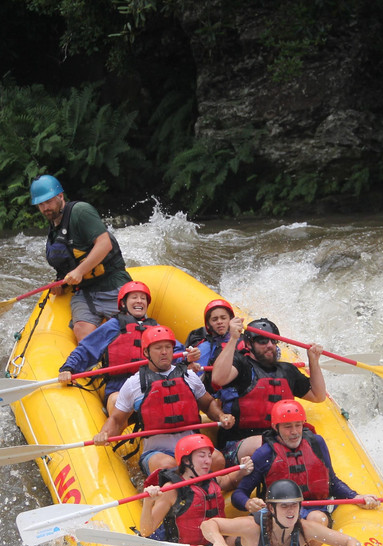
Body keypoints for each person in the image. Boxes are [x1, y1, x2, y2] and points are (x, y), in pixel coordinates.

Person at [94, 325, 234, 476]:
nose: (164, 352)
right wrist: (104, 433)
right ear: (146, 352)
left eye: (168, 347)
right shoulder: (134, 384)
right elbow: (116, 420)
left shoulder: (189, 376)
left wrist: (221, 416)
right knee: (169, 466)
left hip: (192, 446)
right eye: (158, 348)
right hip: (156, 451)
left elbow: (208, 403)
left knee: (218, 460)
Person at [231, 399, 379, 527]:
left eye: (298, 425)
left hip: (315, 509)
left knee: (317, 518)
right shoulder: (265, 454)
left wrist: (354, 497)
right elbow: (239, 494)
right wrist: (248, 503)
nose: (294, 432)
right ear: (276, 428)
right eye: (288, 427)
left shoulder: (317, 443)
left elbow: (332, 482)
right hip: (280, 514)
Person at [210, 316, 327, 466]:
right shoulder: (242, 365)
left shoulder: (287, 370)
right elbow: (218, 378)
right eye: (263, 341)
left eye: (273, 341)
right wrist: (233, 338)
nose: (270, 345)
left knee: (314, 441)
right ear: (249, 344)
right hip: (238, 444)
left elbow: (318, 396)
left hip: (280, 439)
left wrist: (314, 360)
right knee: (265, 444)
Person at [200, 479, 362, 546]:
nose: (290, 511)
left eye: (294, 505)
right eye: (284, 506)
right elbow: (208, 524)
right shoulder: (252, 527)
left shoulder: (306, 528)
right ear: (271, 508)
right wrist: (218, 541)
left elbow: (352, 543)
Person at [30, 174, 131, 343]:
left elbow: (104, 244)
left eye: (48, 201)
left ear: (60, 196)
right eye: (41, 204)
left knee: (130, 331)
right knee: (81, 330)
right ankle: (95, 366)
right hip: (85, 291)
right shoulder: (54, 228)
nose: (45, 207)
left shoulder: (80, 212)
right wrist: (61, 282)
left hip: (112, 282)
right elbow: (69, 260)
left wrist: (79, 271)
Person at [57, 280, 181, 413]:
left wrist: (187, 359)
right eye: (134, 297)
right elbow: (87, 349)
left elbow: (177, 350)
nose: (139, 301)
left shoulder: (156, 328)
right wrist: (69, 368)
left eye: (143, 298)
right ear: (123, 303)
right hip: (119, 388)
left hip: (153, 386)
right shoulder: (114, 326)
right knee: (116, 400)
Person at [139, 434, 253, 546]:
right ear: (186, 460)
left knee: (243, 535)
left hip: (215, 545)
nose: (208, 461)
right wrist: (147, 502)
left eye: (209, 456)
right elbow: (146, 530)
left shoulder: (212, 479)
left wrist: (242, 471)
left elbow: (229, 480)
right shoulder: (171, 490)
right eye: (202, 456)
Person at [185, 298, 236, 382]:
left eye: (223, 318)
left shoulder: (243, 342)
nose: (219, 322)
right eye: (214, 319)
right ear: (208, 325)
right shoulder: (204, 348)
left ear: (230, 320)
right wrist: (189, 363)